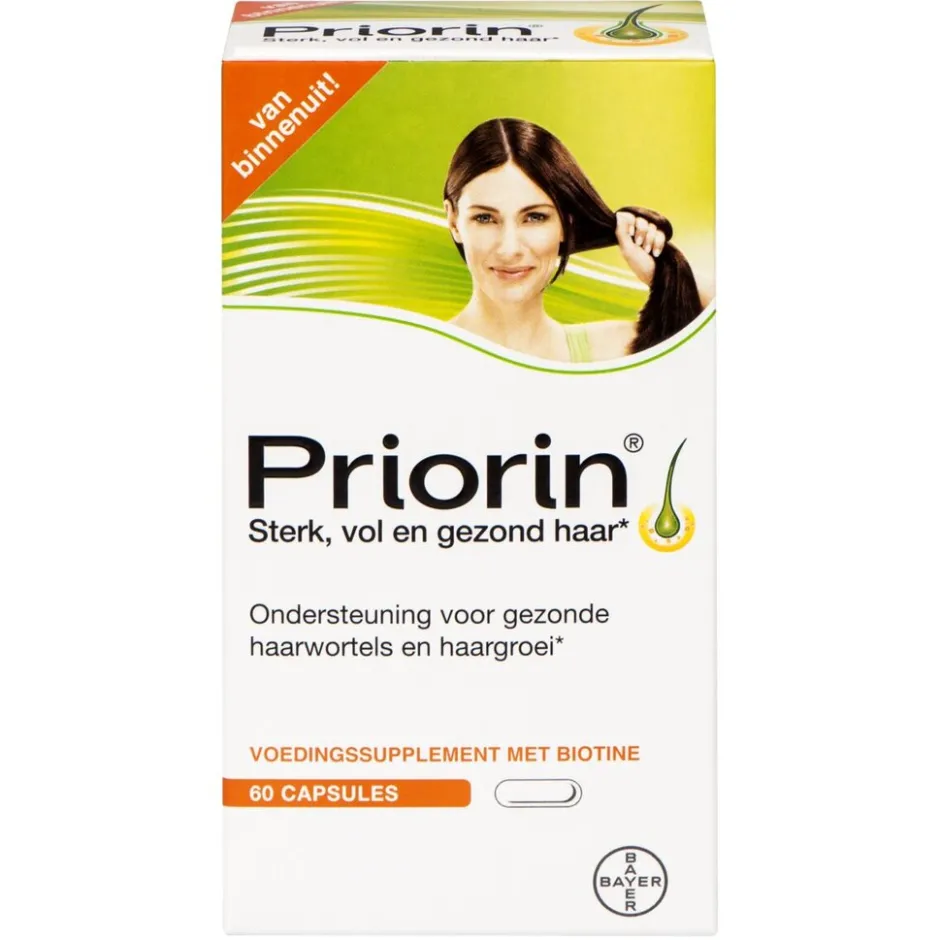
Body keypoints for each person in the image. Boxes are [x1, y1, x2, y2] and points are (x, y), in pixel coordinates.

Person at [443, 118, 709, 362]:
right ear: (453, 221)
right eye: (485, 218)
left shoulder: (615, 350)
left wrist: (662, 272)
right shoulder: (426, 353)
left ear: (566, 223)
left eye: (534, 217)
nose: (509, 249)